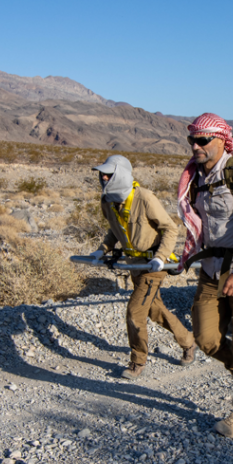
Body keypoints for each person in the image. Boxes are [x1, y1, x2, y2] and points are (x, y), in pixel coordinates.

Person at [177, 113, 233, 438]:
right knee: (206, 339)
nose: (196, 146)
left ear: (221, 141)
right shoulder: (195, 177)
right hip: (211, 269)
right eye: (192, 140)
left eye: (202, 141)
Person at [90, 155, 195, 380]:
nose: (103, 177)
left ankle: (137, 361)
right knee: (155, 310)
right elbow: (115, 230)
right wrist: (102, 249)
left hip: (153, 267)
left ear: (121, 175)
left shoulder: (145, 197)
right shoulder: (108, 201)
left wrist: (160, 257)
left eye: (108, 173)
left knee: (135, 311)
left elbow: (170, 228)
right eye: (102, 174)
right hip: (134, 266)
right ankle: (188, 341)